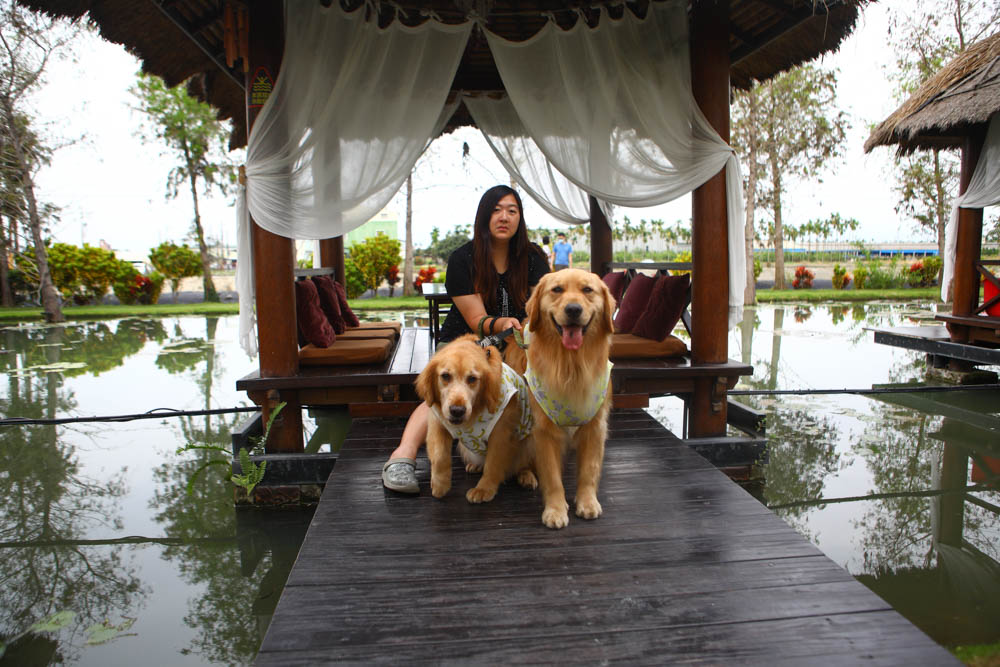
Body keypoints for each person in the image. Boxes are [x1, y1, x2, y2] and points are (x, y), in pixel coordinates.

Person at [381, 185, 550, 493]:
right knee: (441, 392)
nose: (504, 217)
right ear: (484, 216)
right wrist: (503, 323)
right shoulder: (462, 259)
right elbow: (476, 320)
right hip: (467, 341)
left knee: (533, 389)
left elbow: (541, 309)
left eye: (512, 211)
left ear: (520, 219)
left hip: (518, 342)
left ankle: (529, 459)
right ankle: (402, 457)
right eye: (497, 210)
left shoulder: (534, 258)